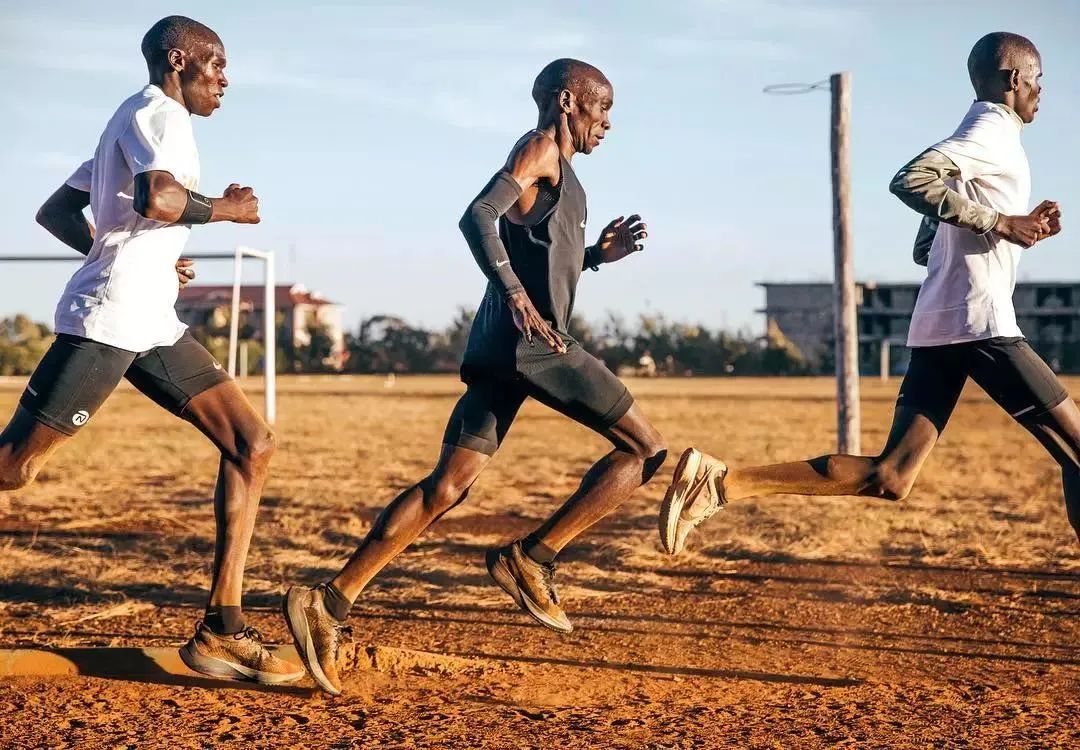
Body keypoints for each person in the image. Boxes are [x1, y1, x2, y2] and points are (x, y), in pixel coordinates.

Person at [283, 58, 666, 695]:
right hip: (535, 342)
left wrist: (598, 257)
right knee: (645, 450)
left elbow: (536, 249)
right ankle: (532, 557)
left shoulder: (562, 176)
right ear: (569, 101)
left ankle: (329, 600)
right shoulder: (541, 149)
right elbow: (476, 216)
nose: (608, 124)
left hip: (500, 346)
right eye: (602, 109)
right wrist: (516, 294)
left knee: (447, 487)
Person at [658, 32, 1078, 556]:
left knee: (891, 475)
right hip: (980, 322)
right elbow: (909, 180)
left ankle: (721, 483)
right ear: (1013, 79)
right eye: (1038, 78)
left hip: (940, 324)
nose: (1043, 90)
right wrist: (1000, 221)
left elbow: (927, 246)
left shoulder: (987, 139)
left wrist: (1012, 226)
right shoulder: (991, 130)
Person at [1, 15, 303, 684]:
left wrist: (131, 252)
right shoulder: (156, 114)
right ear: (178, 61)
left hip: (150, 320)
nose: (225, 78)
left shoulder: (135, 122)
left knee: (251, 444)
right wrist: (228, 210)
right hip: (109, 320)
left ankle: (222, 630)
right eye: (215, 63)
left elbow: (60, 211)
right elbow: (159, 198)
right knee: (13, 468)